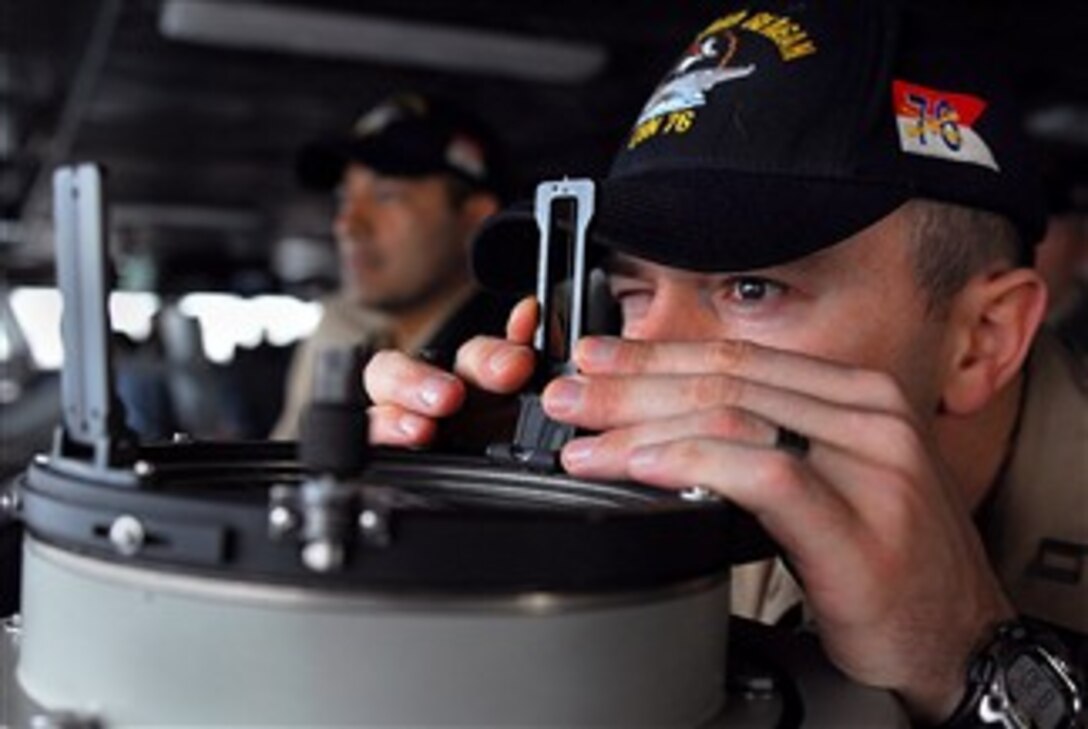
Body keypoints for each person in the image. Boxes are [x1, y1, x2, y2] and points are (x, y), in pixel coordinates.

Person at [364, 2, 1087, 725]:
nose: (644, 355)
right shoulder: (689, 512)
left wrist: (967, 661)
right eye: (633, 291)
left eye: (751, 288)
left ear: (981, 339)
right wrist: (468, 543)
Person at [272, 93, 517, 438]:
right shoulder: (356, 340)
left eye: (386, 194)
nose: (347, 224)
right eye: (345, 198)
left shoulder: (504, 374)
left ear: (474, 217)